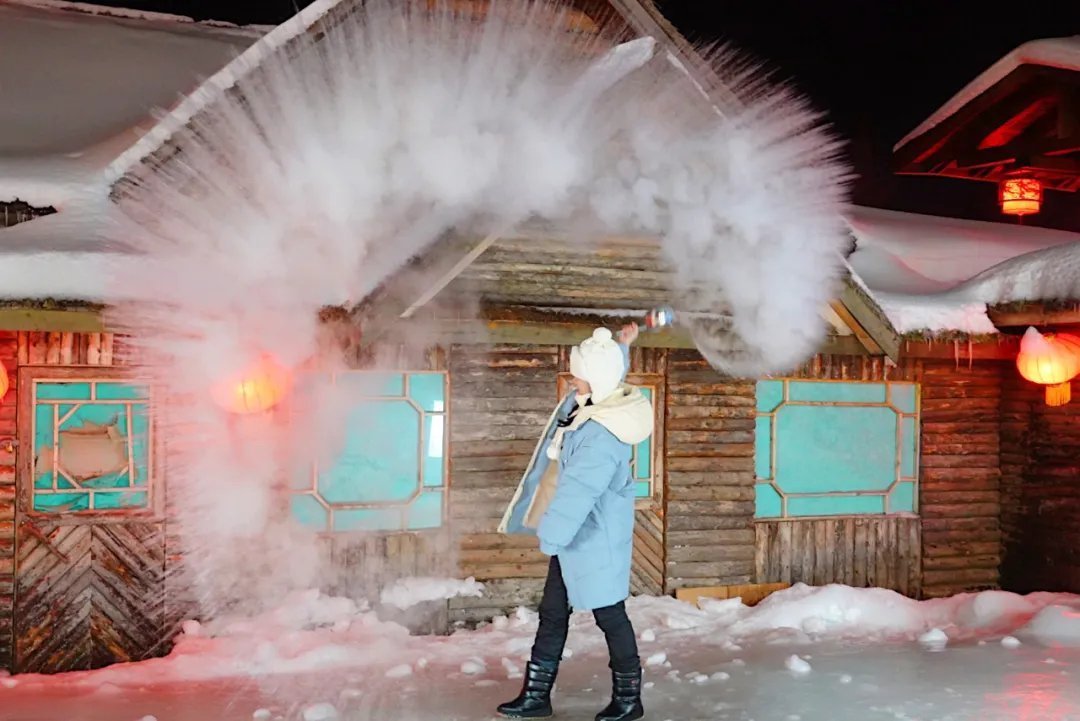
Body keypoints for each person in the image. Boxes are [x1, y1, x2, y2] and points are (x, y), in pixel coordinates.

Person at [496, 324, 654, 721]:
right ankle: (536, 695)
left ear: (594, 378)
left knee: (610, 615)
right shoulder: (591, 405)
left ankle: (629, 699)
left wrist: (551, 535)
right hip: (575, 539)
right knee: (553, 613)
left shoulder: (600, 433)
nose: (572, 378)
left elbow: (579, 491)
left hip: (593, 539)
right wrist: (619, 346)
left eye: (577, 372)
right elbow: (606, 375)